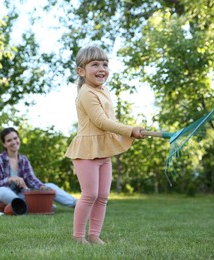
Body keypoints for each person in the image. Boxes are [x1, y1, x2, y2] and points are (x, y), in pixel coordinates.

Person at [65, 45, 146, 244]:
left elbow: (109, 120)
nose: (102, 68)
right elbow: (101, 122)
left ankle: (94, 235)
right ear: (81, 71)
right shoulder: (86, 93)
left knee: (102, 196)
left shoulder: (103, 91)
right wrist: (130, 130)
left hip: (102, 150)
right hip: (86, 151)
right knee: (90, 194)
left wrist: (129, 132)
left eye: (105, 64)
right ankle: (78, 237)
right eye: (95, 64)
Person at [0, 127, 77, 213]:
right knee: (2, 191)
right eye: (9, 140)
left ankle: (77, 204)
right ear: (4, 144)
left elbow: (32, 180)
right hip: (0, 196)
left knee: (49, 185)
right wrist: (10, 179)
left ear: (19, 139)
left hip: (19, 196)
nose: (14, 142)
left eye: (15, 138)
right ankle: (39, 206)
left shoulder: (23, 160)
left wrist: (43, 188)